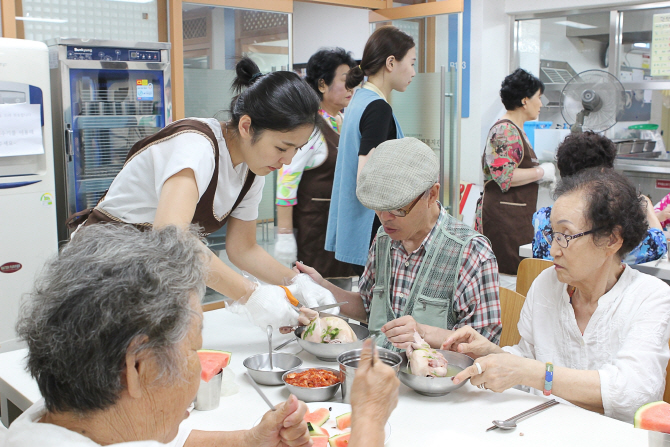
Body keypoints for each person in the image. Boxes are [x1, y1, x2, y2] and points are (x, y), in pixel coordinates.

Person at [6, 225, 400, 447]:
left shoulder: (46, 424)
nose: (201, 370)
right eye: (194, 348)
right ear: (138, 366)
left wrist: (249, 441)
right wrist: (368, 419)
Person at [65, 57, 338, 329]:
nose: (287, 161)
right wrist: (252, 296)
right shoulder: (195, 146)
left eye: (296, 150)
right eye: (282, 148)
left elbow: (244, 249)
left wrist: (297, 283)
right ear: (246, 126)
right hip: (98, 269)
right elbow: (172, 237)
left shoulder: (252, 170)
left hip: (147, 273)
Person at [444, 168, 670, 423]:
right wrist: (491, 353)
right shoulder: (546, 285)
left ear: (612, 240)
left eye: (565, 236)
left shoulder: (650, 297)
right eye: (552, 234)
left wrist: (531, 372)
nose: (553, 250)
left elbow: (633, 392)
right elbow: (528, 361)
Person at [298, 138, 501, 350]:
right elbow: (368, 307)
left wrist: (424, 333)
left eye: (397, 209)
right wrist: (321, 287)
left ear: (431, 194)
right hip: (380, 370)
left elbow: (484, 346)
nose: (385, 218)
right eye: (378, 207)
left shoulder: (470, 252)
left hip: (435, 379)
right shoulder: (384, 239)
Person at [326, 25, 416, 274]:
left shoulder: (358, 100)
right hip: (372, 229)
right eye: (411, 62)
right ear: (391, 63)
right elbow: (366, 177)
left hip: (355, 225)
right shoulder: (378, 108)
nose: (414, 72)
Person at [274, 48, 356, 284]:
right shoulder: (309, 127)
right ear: (322, 85)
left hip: (340, 231)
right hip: (314, 231)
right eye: (344, 80)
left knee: (342, 292)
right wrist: (285, 234)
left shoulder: (343, 120)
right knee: (316, 299)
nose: (351, 87)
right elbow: (286, 180)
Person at [532, 131, 666, 264]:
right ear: (603, 174)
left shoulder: (541, 217)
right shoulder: (602, 226)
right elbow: (657, 245)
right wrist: (647, 208)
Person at [475, 68, 556, 277]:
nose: (541, 103)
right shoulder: (505, 130)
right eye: (538, 97)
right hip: (503, 222)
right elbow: (504, 177)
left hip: (514, 217)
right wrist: (541, 172)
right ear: (524, 100)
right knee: (506, 279)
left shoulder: (517, 130)